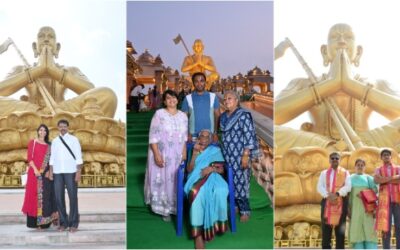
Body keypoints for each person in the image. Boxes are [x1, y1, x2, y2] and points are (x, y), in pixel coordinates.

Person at [275, 23, 400, 154]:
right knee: (263, 129)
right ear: (324, 51)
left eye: (348, 37)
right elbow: (274, 116)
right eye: (334, 37)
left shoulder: (377, 84)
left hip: (367, 144)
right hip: (317, 146)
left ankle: (345, 153)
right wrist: (331, 84)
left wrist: (349, 84)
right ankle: (331, 150)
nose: (341, 41)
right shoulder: (302, 83)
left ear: (358, 52)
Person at [0, 26, 117, 117]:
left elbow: (91, 91)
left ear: (57, 48)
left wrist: (54, 71)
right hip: (28, 112)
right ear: (35, 47)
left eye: (51, 36)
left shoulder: (70, 70)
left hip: (64, 110)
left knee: (107, 95)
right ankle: (40, 114)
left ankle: (50, 116)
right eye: (41, 36)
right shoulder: (20, 69)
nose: (46, 39)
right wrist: (38, 70)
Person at [144, 90, 188, 221]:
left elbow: (185, 137)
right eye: (168, 98)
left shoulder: (183, 116)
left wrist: (184, 151)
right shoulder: (159, 114)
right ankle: (165, 209)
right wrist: (157, 154)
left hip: (177, 154)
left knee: (176, 179)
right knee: (164, 181)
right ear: (164, 101)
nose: (171, 100)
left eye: (173, 97)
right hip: (163, 153)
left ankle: (176, 208)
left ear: (177, 100)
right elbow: (153, 135)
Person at [184, 129, 228, 249]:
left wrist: (211, 169)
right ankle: (198, 236)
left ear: (210, 140)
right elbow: (189, 170)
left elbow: (222, 170)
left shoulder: (215, 150)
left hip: (213, 176)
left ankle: (211, 226)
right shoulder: (194, 150)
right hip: (196, 177)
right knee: (197, 193)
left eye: (206, 137)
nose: (203, 139)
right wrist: (194, 154)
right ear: (198, 138)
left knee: (221, 189)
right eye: (201, 136)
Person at [220, 90, 259, 222]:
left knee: (241, 182)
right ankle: (235, 205)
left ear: (237, 101)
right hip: (227, 155)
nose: (226, 101)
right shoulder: (224, 117)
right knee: (229, 181)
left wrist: (245, 155)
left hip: (240, 155)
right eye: (225, 99)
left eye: (229, 98)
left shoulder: (243, 116)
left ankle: (245, 210)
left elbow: (249, 135)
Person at [49, 119, 83, 233]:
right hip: (57, 172)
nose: (62, 128)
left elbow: (78, 156)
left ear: (68, 127)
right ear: (57, 127)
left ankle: (73, 223)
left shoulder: (74, 140)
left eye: (64, 126)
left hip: (71, 171)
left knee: (73, 197)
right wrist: (51, 172)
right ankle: (63, 223)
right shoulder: (55, 141)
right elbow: (52, 158)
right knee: (59, 198)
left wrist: (78, 172)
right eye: (60, 126)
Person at [22, 124, 57, 229]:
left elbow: (52, 160)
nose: (42, 132)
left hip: (45, 176)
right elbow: (30, 158)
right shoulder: (32, 143)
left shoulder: (49, 145)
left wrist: (49, 171)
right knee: (33, 197)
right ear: (38, 131)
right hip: (34, 174)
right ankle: (34, 223)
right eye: (41, 130)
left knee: (45, 198)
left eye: (45, 130)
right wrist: (36, 170)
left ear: (47, 133)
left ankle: (44, 223)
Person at [316, 152, 351, 249]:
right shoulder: (324, 173)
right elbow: (319, 187)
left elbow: (348, 186)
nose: (334, 160)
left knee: (340, 231)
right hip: (327, 202)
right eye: (332, 158)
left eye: (336, 158)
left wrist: (337, 194)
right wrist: (328, 195)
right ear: (329, 160)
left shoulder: (345, 172)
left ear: (340, 160)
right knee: (326, 230)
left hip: (341, 202)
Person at [181, 72, 220, 142]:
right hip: (193, 136)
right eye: (196, 81)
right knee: (194, 153)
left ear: (205, 82)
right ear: (193, 83)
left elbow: (217, 116)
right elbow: (183, 118)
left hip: (209, 136)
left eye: (202, 81)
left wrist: (215, 133)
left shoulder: (213, 97)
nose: (199, 84)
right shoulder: (188, 98)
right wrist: (187, 133)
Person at [348, 158, 378, 249]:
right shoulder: (349, 178)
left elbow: (375, 191)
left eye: (362, 165)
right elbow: (346, 194)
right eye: (358, 165)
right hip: (355, 210)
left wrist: (364, 194)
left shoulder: (369, 178)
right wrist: (348, 210)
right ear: (355, 167)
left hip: (367, 210)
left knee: (369, 230)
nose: (360, 167)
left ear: (364, 167)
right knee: (356, 230)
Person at [374, 149, 400, 249]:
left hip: (397, 200)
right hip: (384, 202)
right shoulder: (378, 169)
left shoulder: (398, 168)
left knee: (399, 226)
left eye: (388, 155)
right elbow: (376, 180)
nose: (386, 156)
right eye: (384, 155)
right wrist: (393, 178)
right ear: (381, 157)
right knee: (385, 227)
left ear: (391, 157)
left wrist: (384, 179)